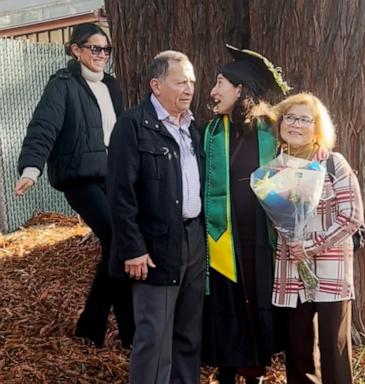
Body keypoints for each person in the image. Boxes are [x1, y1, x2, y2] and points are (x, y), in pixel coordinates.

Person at [15, 23, 133, 348]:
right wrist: (30, 168)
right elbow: (43, 127)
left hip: (113, 176)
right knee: (119, 238)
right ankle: (121, 331)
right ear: (75, 50)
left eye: (105, 49)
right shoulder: (63, 85)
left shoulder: (111, 86)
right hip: (79, 178)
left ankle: (99, 332)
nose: (101, 55)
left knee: (118, 246)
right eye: (94, 48)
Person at [108, 50, 205, 384]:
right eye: (180, 81)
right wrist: (132, 248)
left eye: (191, 81)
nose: (189, 88)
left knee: (189, 336)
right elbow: (120, 194)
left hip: (194, 241)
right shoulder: (132, 125)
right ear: (156, 85)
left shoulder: (194, 129)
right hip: (153, 247)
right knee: (155, 338)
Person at [202, 44, 290, 384]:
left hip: (260, 237)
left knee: (256, 303)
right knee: (229, 303)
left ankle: (253, 372)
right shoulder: (210, 134)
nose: (213, 90)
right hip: (224, 236)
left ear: (241, 90)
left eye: (220, 82)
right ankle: (226, 370)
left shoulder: (273, 130)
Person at [272, 92, 365, 384]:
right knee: (299, 358)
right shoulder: (275, 169)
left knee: (334, 356)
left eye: (304, 119)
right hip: (291, 273)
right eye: (289, 117)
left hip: (330, 273)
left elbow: (352, 217)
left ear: (317, 127)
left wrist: (309, 246)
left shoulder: (334, 164)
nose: (295, 124)